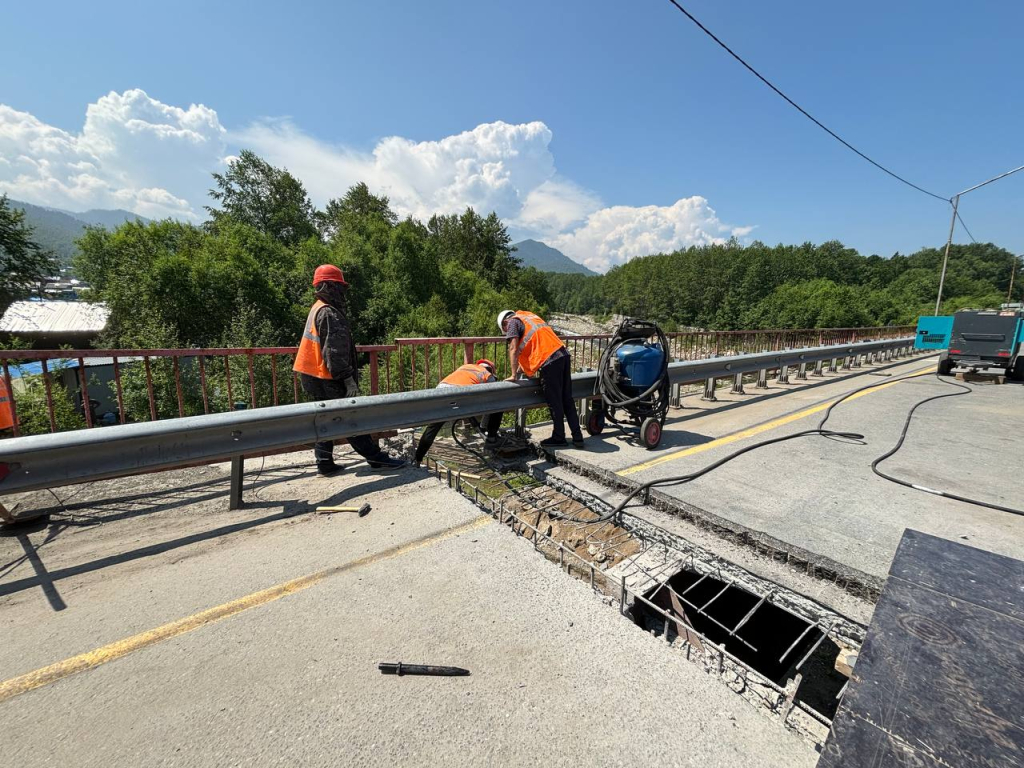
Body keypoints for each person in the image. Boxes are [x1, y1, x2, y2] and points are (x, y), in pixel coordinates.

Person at [293, 265, 406, 476]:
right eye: (339, 287)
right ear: (329, 287)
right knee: (350, 418)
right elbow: (334, 353)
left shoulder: (317, 307)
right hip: (327, 377)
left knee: (325, 418)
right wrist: (348, 380)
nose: (343, 292)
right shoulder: (328, 313)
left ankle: (324, 463)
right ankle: (376, 459)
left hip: (312, 376)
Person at [498, 310, 585, 449]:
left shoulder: (512, 322)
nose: (508, 333)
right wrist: (521, 369)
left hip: (549, 360)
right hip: (562, 354)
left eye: (505, 331)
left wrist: (513, 375)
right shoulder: (527, 317)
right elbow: (531, 344)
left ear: (504, 323)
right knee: (566, 399)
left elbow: (513, 348)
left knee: (554, 401)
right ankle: (578, 437)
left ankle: (559, 437)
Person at [413, 359, 506, 465]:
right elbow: (495, 393)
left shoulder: (465, 367)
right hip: (461, 394)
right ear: (491, 369)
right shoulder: (487, 374)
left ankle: (418, 458)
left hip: (440, 391)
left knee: (433, 427)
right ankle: (491, 438)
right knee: (499, 403)